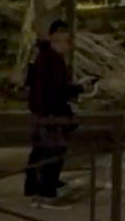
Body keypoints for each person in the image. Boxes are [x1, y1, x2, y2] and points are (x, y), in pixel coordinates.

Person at [24, 20, 83, 209]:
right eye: (68, 41)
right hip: (51, 113)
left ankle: (35, 187)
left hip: (41, 111)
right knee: (53, 152)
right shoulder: (53, 60)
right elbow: (57, 90)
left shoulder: (41, 57)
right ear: (58, 41)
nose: (70, 46)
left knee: (42, 150)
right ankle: (46, 194)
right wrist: (78, 89)